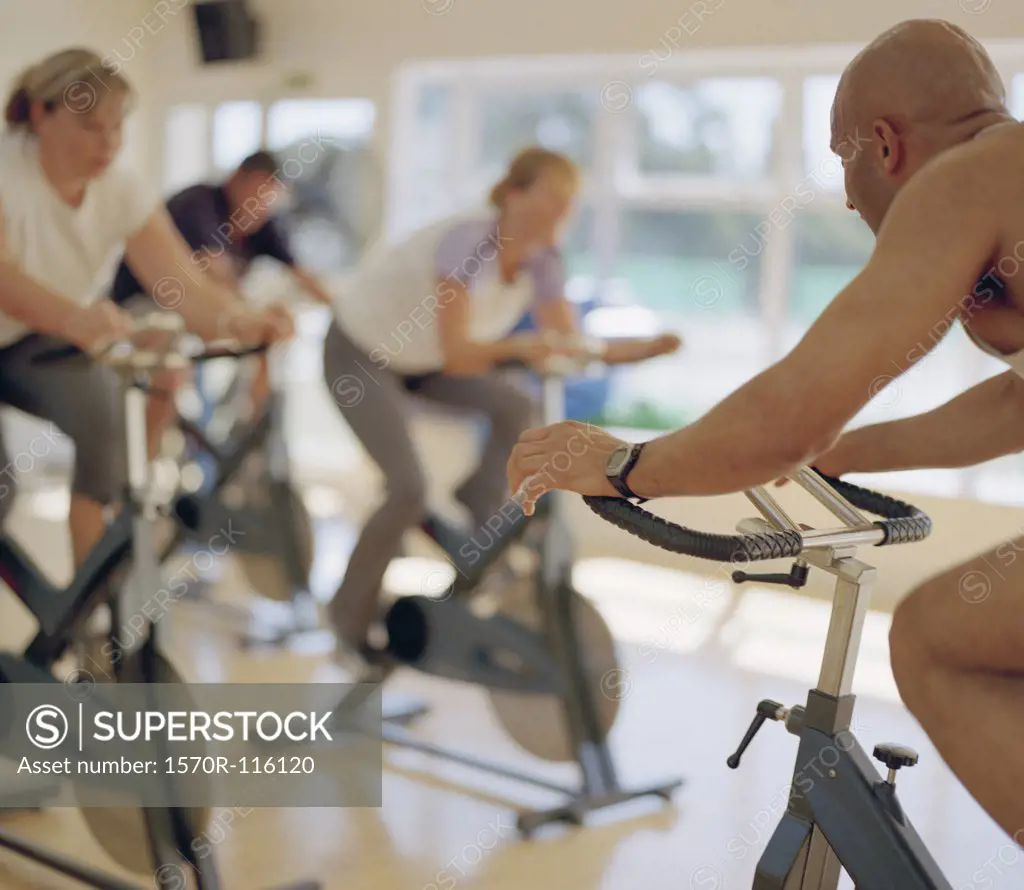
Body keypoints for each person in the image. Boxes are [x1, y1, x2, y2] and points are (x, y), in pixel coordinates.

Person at [508, 19, 1024, 842]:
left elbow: (795, 404)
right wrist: (846, 451)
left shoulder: (965, 178)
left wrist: (622, 463)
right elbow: (1014, 405)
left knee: (935, 642)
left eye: (842, 160)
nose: (849, 199)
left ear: (885, 145)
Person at [324, 146, 680, 667]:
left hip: (421, 363)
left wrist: (638, 350)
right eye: (551, 198)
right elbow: (461, 354)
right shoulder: (467, 242)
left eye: (569, 203)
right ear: (512, 195)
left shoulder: (544, 260)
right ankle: (347, 624)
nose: (561, 213)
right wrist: (520, 348)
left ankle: (481, 514)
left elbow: (569, 343)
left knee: (514, 402)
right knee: (408, 488)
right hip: (360, 351)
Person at [0, 48, 293, 564]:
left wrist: (241, 321)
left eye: (117, 128)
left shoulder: (121, 187)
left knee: (110, 427)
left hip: (32, 340)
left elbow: (180, 285)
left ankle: (93, 621)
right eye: (91, 126)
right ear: (42, 114)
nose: (108, 143)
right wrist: (77, 318)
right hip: (39, 323)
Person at [110, 150, 334, 437]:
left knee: (265, 350)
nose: (260, 209)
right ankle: (141, 461)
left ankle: (248, 437)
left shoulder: (260, 220)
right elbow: (211, 276)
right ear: (235, 180)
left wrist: (339, 308)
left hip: (204, 312)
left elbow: (301, 272)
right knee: (171, 367)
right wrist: (250, 314)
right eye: (256, 195)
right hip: (145, 306)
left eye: (268, 200)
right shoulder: (198, 204)